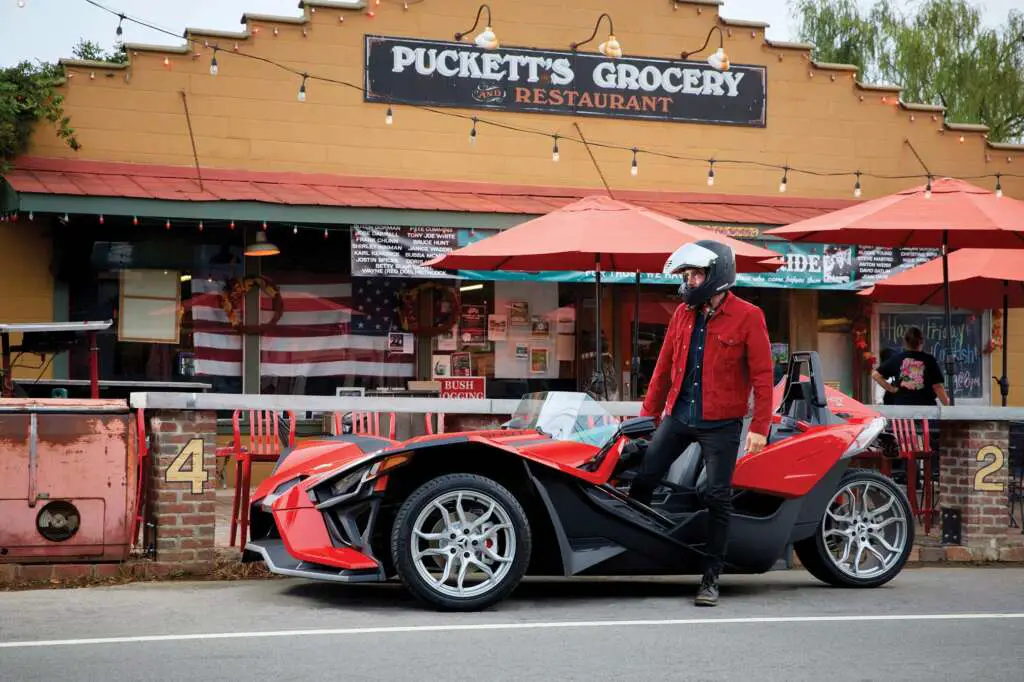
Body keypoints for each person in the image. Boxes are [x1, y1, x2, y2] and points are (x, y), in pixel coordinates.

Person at [628, 240, 773, 607]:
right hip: (678, 415)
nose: (690, 281)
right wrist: (646, 417)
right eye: (688, 275)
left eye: (696, 275)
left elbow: (762, 376)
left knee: (717, 498)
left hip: (721, 422)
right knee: (644, 477)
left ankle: (710, 578)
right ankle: (636, 551)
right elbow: (662, 369)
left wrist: (759, 427)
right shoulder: (682, 314)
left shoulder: (748, 316)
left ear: (716, 276)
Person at [871, 326, 950, 406]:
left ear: (905, 341)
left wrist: (892, 389)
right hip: (926, 409)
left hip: (903, 410)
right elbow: (937, 386)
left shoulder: (897, 359)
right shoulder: (929, 360)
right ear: (922, 341)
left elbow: (875, 375)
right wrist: (947, 405)